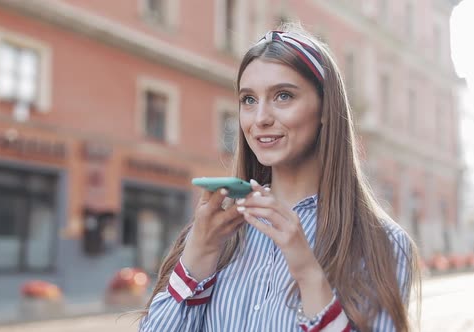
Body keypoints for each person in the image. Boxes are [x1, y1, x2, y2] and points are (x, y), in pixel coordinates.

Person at [139, 24, 421, 332]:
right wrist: (199, 254)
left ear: (326, 108)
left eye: (283, 96)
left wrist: (308, 272)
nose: (260, 119)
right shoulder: (216, 231)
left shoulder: (382, 243)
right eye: (248, 100)